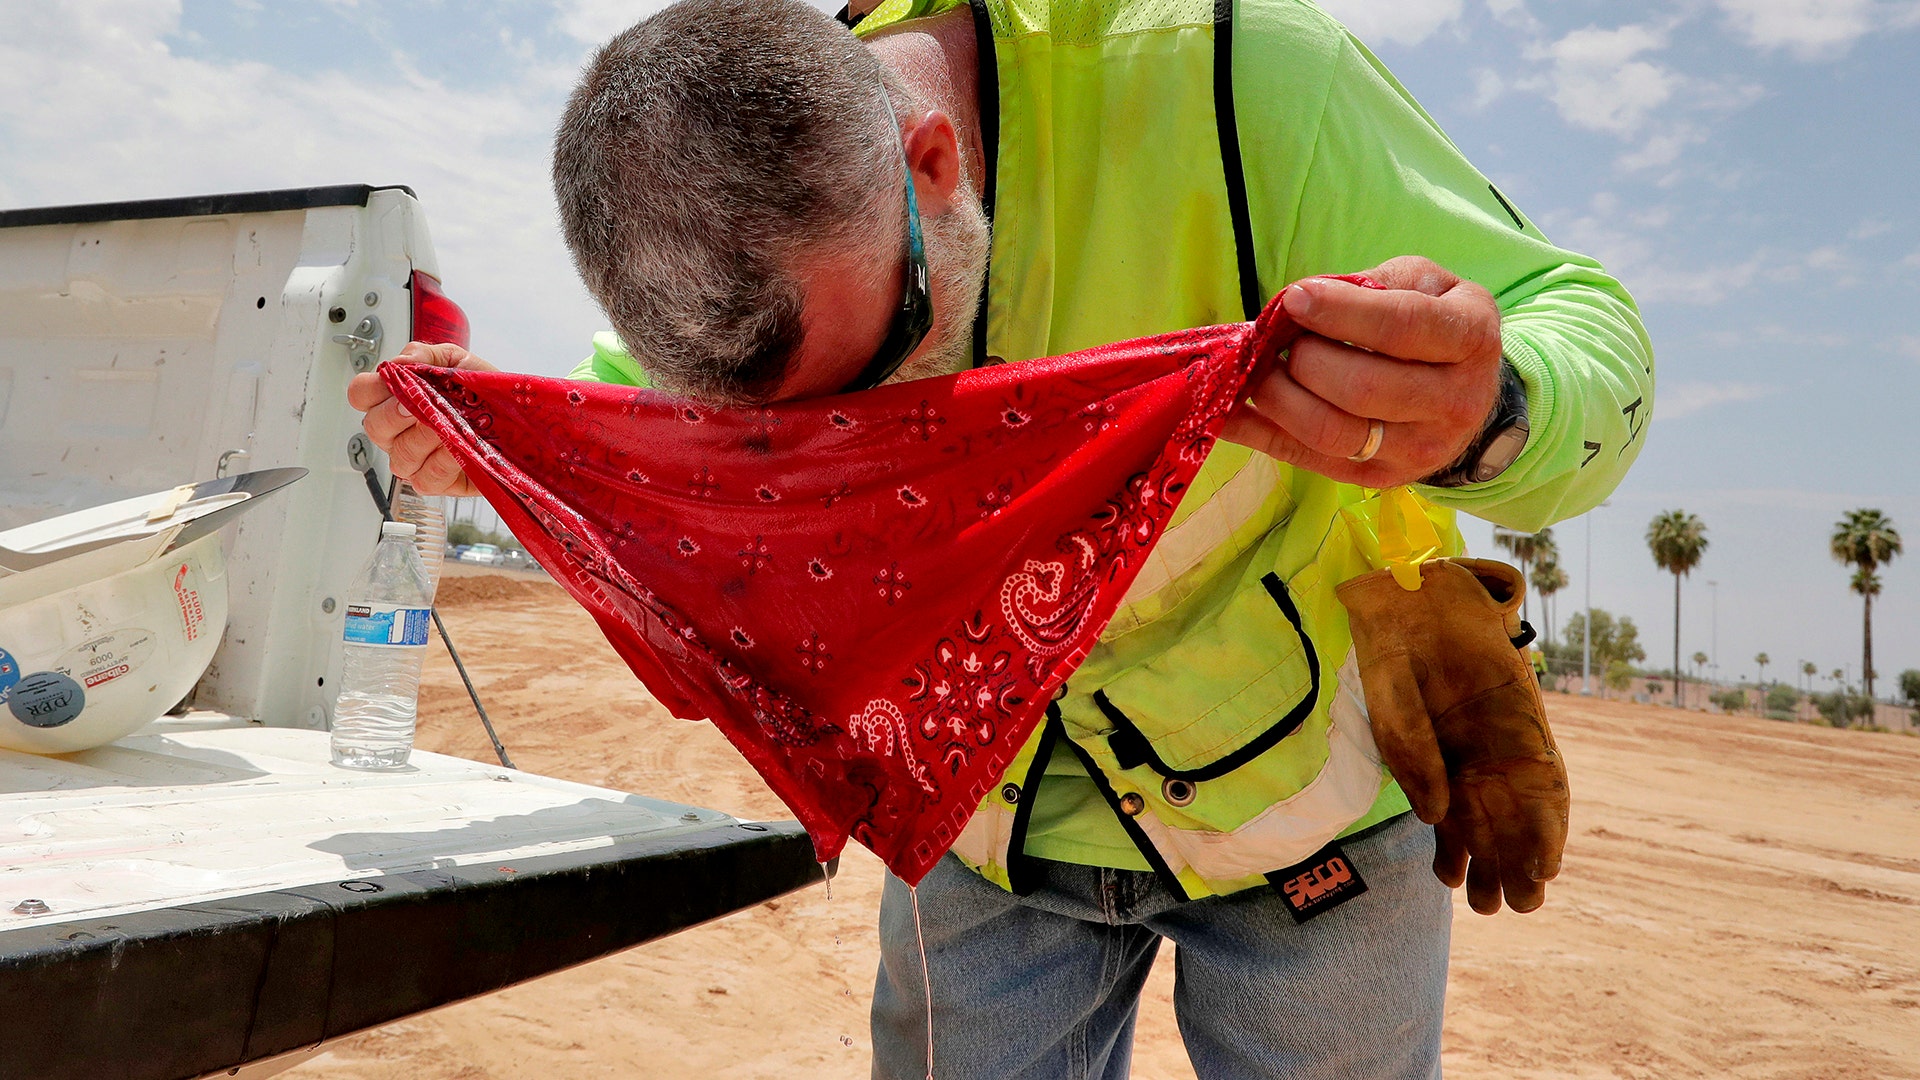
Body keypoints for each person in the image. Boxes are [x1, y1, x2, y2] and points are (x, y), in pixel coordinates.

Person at [350, 1, 1653, 1075]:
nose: (862, 434)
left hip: (1310, 813)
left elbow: (1590, 327)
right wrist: (490, 438)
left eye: (883, 356)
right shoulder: (740, 275)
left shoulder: (1238, 86)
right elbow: (638, 435)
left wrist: (1494, 408)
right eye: (792, 437)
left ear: (929, 165)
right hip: (982, 827)